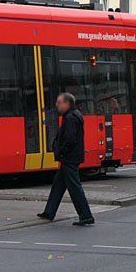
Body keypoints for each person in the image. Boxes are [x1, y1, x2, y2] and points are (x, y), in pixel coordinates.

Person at [37, 92, 95, 226]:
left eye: (59, 102)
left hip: (70, 157)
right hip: (71, 157)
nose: (57, 105)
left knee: (74, 187)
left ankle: (86, 215)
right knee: (58, 184)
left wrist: (60, 152)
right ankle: (49, 212)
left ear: (67, 103)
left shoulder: (70, 117)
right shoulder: (73, 115)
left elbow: (70, 139)